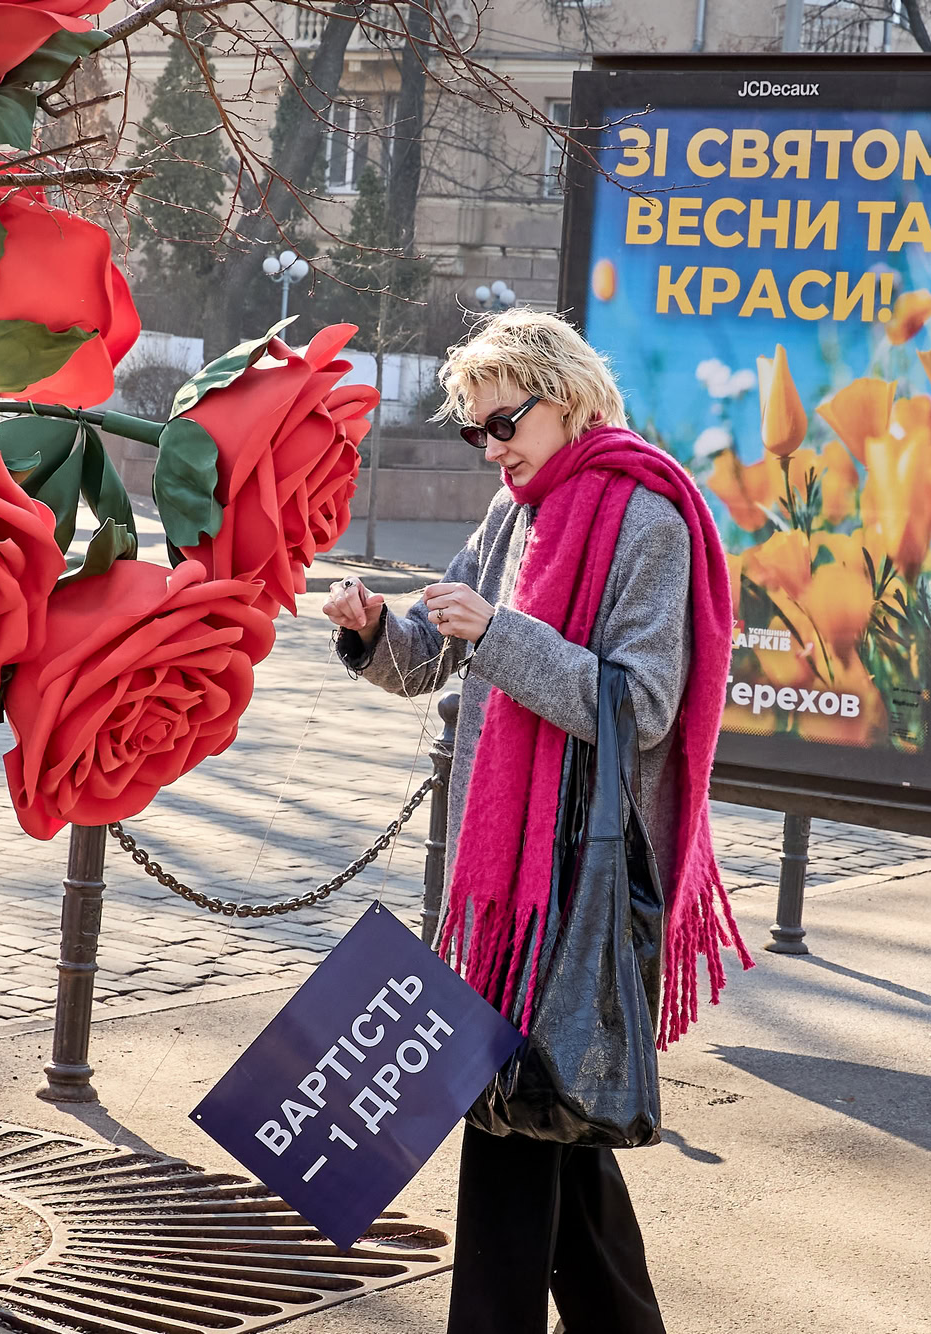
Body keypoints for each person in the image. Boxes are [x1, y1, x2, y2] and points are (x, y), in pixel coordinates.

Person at [323, 308, 744, 1333]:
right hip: (505, 869)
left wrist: (497, 634)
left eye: (500, 422)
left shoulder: (647, 515)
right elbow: (437, 652)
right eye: (473, 432)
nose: (490, 448)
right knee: (550, 1109)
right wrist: (377, 629)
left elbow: (640, 703)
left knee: (513, 1114)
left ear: (566, 397)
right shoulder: (516, 510)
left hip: (575, 867)